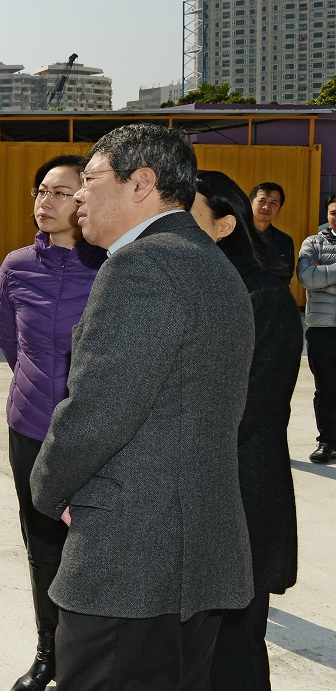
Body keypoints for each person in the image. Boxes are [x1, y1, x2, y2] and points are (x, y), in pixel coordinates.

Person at [29, 123, 255, 691]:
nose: (77, 195)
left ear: (142, 184)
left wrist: (48, 486)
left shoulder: (140, 268)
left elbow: (97, 411)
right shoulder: (209, 262)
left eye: (91, 179)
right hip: (193, 553)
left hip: (131, 560)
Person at [0, 155, 106, 691]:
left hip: (100, 431)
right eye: (41, 191)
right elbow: (10, 342)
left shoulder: (112, 267)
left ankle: (92, 656)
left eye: (61, 192)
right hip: (32, 426)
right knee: (43, 545)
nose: (46, 202)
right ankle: (48, 654)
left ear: (85, 200)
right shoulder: (16, 266)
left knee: (97, 544)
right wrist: (39, 390)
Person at [190, 171, 302, 691]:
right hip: (187, 500)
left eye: (183, 215)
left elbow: (243, 413)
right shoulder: (177, 290)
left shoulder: (267, 301)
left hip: (240, 499)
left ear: (224, 225)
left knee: (233, 652)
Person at [296, 195, 336, 465]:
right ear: (327, 214)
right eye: (334, 212)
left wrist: (326, 275)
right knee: (326, 388)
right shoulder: (313, 242)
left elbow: (318, 278)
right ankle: (327, 441)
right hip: (323, 329)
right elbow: (307, 277)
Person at [249, 182, 295, 283]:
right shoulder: (232, 234)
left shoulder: (284, 240)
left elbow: (286, 275)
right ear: (250, 203)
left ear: (279, 210)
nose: (266, 207)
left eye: (273, 203)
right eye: (262, 201)